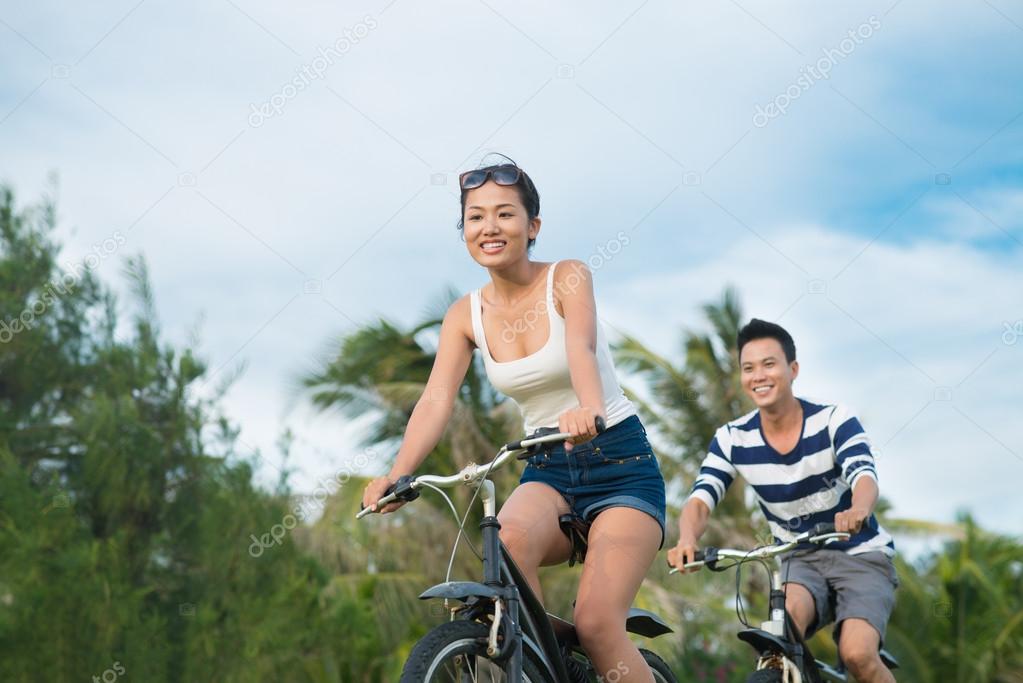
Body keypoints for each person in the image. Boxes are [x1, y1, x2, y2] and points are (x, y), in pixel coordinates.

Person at [362, 156, 666, 682]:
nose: (490, 228)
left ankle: (590, 651)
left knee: (596, 622)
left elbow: (581, 349)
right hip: (546, 468)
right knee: (503, 556)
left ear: (533, 227)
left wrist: (588, 407)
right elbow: (437, 398)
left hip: (619, 463)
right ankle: (554, 666)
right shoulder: (465, 315)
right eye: (476, 217)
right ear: (464, 233)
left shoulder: (567, 278)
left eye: (505, 214)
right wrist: (397, 473)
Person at [667, 318, 898, 683]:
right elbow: (701, 497)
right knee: (779, 632)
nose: (758, 375)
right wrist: (687, 539)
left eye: (769, 364)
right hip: (798, 560)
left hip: (859, 554)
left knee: (858, 654)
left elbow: (864, 475)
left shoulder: (833, 420)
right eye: (748, 368)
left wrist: (858, 509)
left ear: (792, 370)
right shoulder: (731, 439)